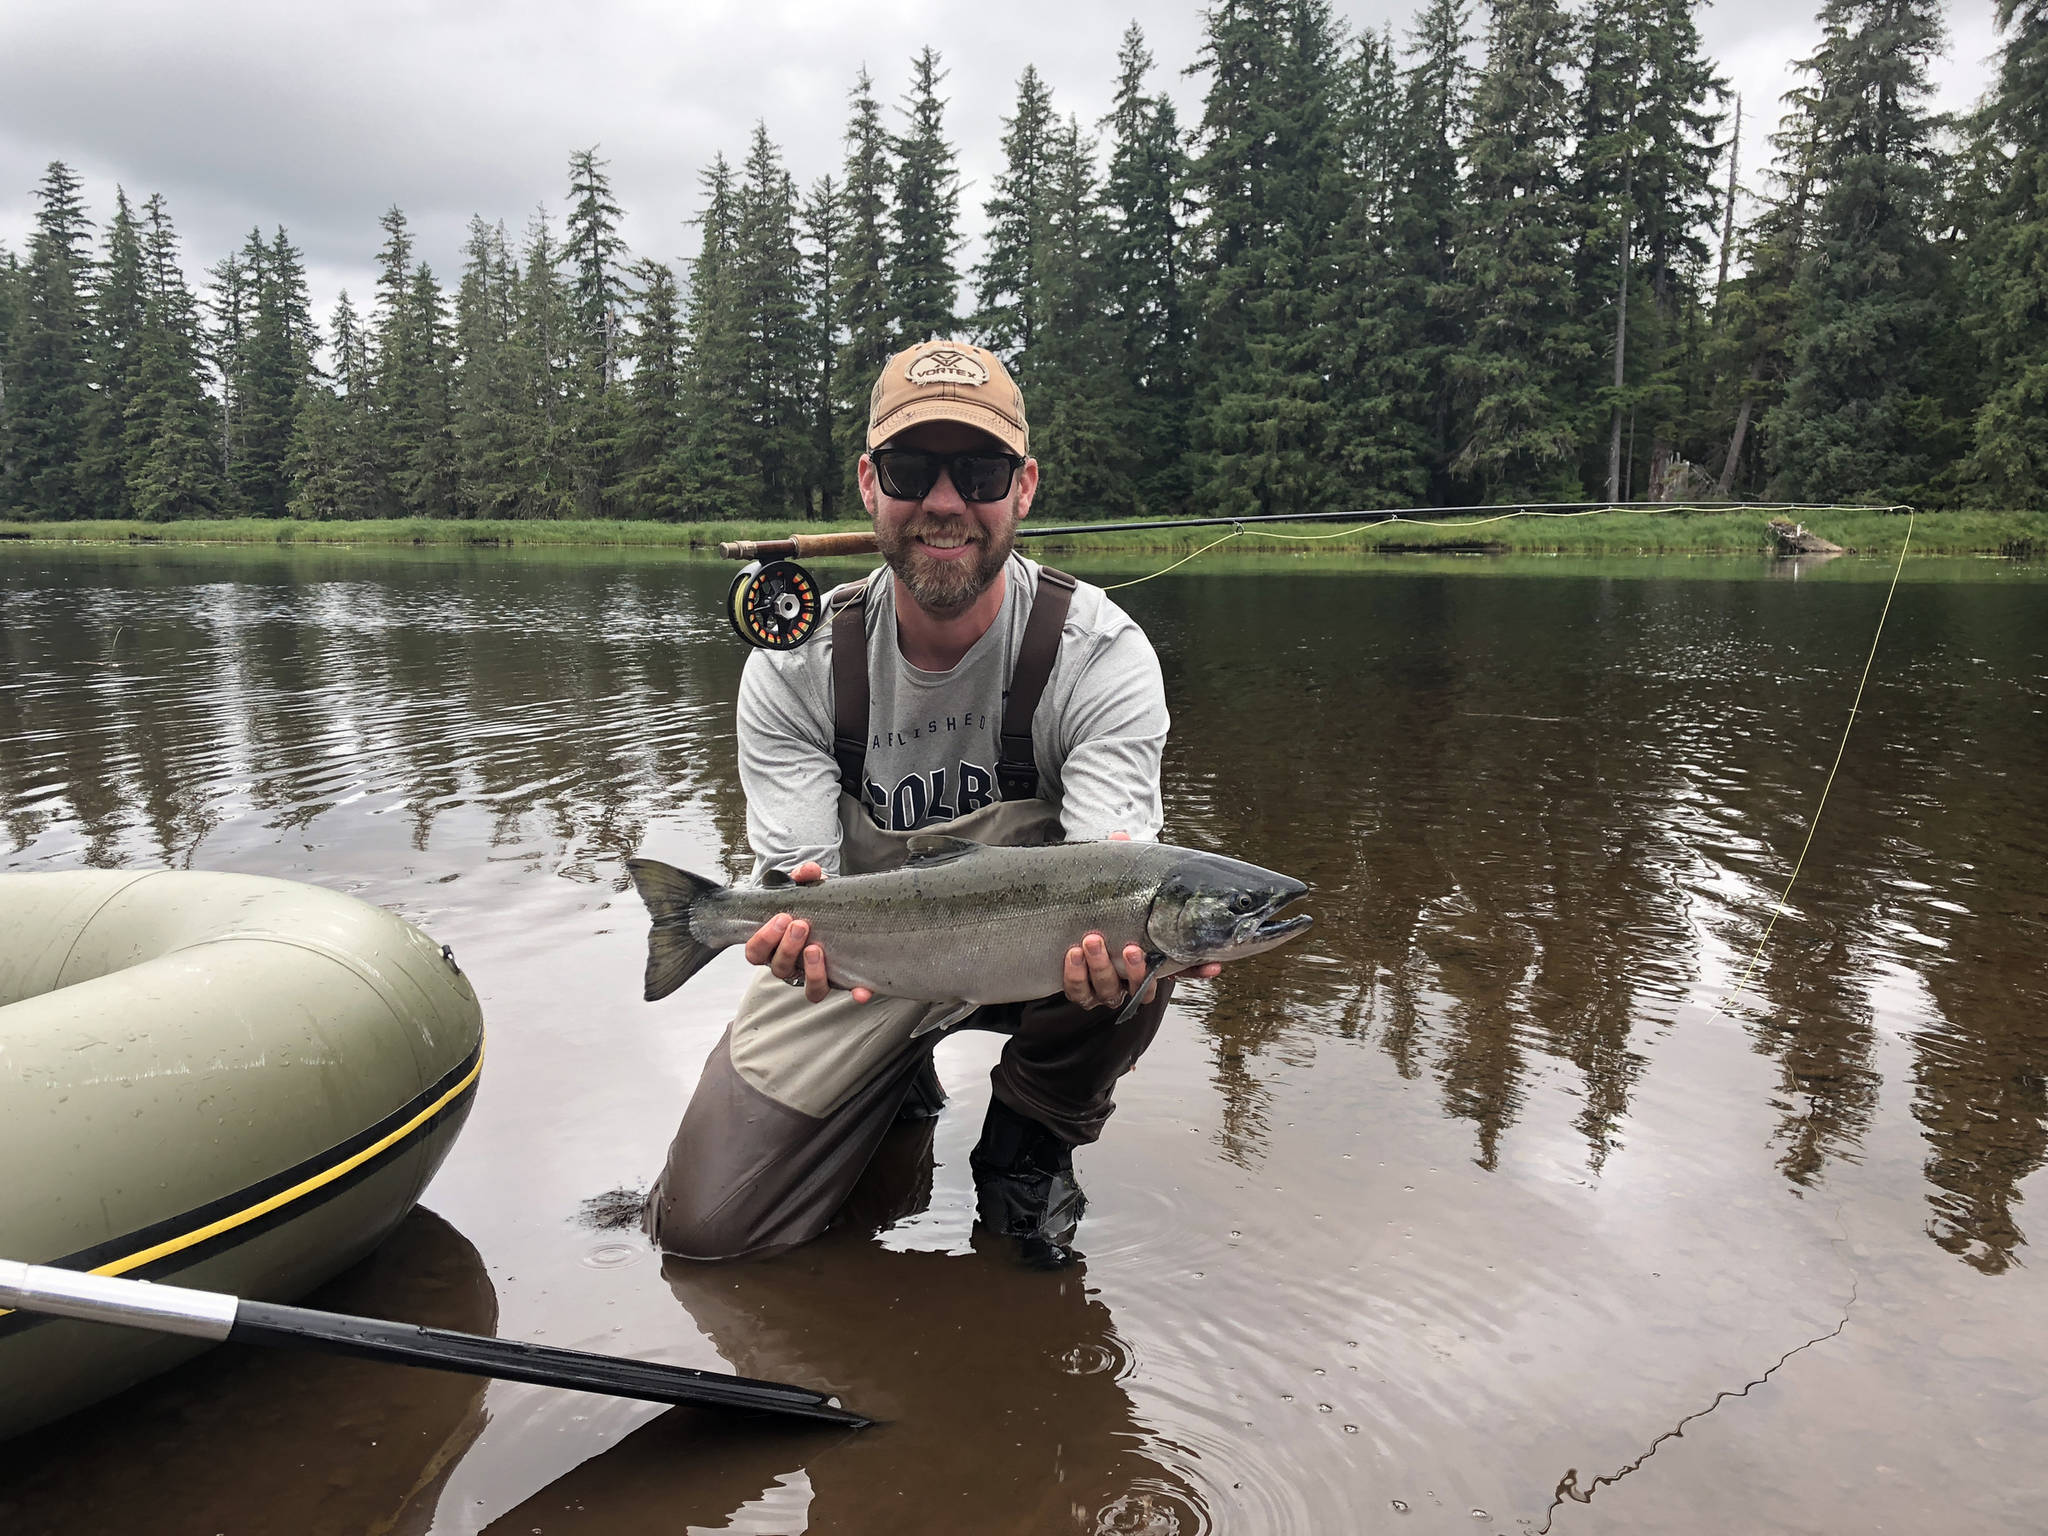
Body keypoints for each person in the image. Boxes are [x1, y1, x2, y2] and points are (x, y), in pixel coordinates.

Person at [645, 338, 1221, 1267]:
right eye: (914, 470)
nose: (945, 503)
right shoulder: (797, 666)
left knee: (1134, 947)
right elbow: (807, 884)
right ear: (870, 483)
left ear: (1023, 488)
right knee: (706, 1237)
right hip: (862, 961)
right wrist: (762, 919)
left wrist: (1136, 953)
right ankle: (893, 1079)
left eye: (980, 471)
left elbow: (1117, 860)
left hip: (1037, 966)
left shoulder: (1100, 654)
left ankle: (1027, 1152)